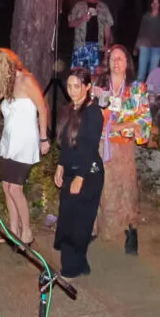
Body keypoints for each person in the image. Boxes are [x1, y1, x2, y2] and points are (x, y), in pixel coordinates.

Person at [0, 48, 50, 245]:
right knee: (6, 187)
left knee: (15, 189)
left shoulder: (26, 81)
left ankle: (26, 233)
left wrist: (44, 138)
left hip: (25, 143)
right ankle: (13, 230)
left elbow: (42, 108)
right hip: (9, 142)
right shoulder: (6, 84)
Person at [94, 45, 152, 251]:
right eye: (112, 59)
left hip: (123, 146)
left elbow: (144, 120)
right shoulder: (100, 87)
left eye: (120, 58)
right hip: (101, 144)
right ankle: (98, 228)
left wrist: (121, 126)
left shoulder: (137, 88)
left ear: (128, 63)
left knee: (127, 189)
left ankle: (131, 231)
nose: (116, 62)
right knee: (101, 187)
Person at [54, 68, 104, 278]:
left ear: (88, 87)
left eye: (77, 86)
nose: (72, 91)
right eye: (69, 86)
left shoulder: (93, 112)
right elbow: (67, 143)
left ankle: (71, 267)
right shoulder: (70, 109)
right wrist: (60, 165)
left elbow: (90, 147)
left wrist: (80, 177)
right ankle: (80, 262)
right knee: (68, 217)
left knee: (79, 221)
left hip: (88, 173)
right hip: (71, 169)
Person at [67, 0, 114, 71]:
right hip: (80, 46)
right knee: (78, 74)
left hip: (97, 46)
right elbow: (70, 24)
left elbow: (107, 27)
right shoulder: (78, 6)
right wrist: (82, 19)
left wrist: (107, 43)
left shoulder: (104, 7)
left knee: (95, 75)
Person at [133, 0, 160, 82]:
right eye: (154, 3)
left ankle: (149, 92)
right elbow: (141, 31)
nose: (156, 5)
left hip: (157, 47)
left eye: (157, 3)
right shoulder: (146, 16)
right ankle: (138, 92)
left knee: (152, 73)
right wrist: (135, 47)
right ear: (151, 5)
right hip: (144, 46)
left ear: (159, 5)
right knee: (141, 72)